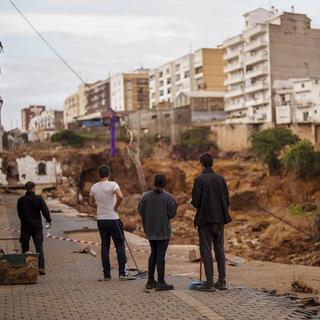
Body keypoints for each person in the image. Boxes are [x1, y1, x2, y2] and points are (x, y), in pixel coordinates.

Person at [191, 153, 231, 292]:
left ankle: (209, 283)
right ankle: (222, 281)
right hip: (220, 220)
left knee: (206, 249)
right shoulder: (221, 179)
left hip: (205, 221)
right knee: (219, 248)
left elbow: (195, 201)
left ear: (201, 164)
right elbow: (227, 200)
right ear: (212, 163)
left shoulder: (199, 179)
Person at [89, 165, 135, 281]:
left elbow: (90, 202)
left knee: (105, 246)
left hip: (101, 220)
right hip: (113, 219)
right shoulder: (113, 184)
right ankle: (122, 273)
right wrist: (115, 207)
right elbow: (120, 196)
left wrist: (99, 207)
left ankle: (107, 274)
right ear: (109, 174)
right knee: (119, 244)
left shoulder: (94, 187)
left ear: (99, 174)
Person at [138, 174, 177, 291]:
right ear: (164, 184)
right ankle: (161, 281)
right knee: (160, 255)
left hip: (150, 231)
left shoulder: (145, 197)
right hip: (163, 231)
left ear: (154, 182)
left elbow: (141, 211)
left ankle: (150, 281)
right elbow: (172, 214)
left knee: (153, 253)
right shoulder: (168, 197)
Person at [17, 181, 51, 275]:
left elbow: (19, 213)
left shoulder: (21, 200)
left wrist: (24, 220)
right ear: (33, 188)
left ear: (26, 189)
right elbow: (45, 211)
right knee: (39, 247)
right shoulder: (38, 199)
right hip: (37, 227)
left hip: (25, 227)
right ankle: (41, 268)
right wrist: (48, 220)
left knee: (25, 247)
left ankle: (25, 268)